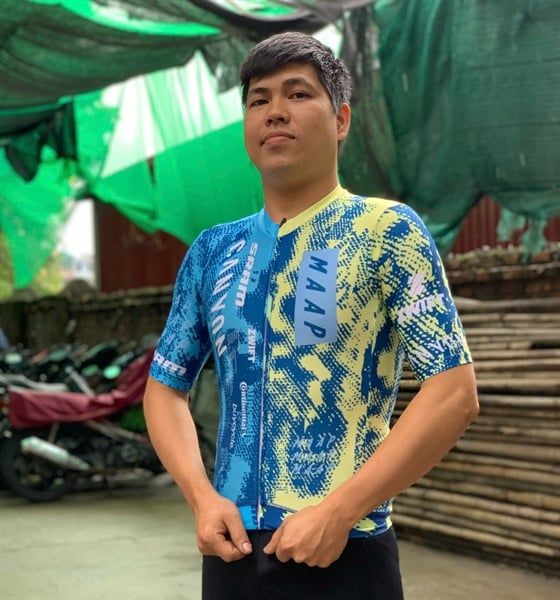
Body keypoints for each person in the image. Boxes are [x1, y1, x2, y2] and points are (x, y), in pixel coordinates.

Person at [144, 31, 478, 600]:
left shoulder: (385, 232)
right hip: (230, 552)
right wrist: (201, 497)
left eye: (298, 94)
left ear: (341, 119)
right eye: (258, 100)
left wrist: (341, 510)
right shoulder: (212, 252)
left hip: (345, 549)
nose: (275, 111)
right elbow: (164, 387)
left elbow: (453, 392)